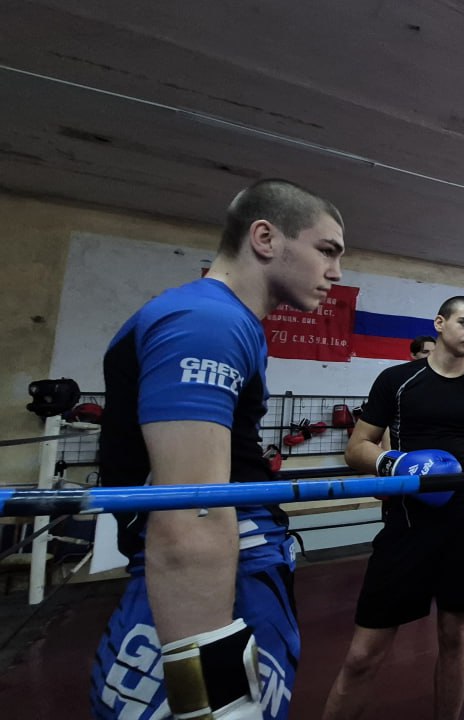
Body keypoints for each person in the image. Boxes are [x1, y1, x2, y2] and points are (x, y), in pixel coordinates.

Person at [90, 179, 345, 719]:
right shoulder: (208, 321)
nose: (336, 272)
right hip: (221, 570)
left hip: (233, 560)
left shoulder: (225, 320)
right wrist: (216, 692)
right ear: (265, 238)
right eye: (327, 250)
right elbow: (192, 511)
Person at [323, 296, 464, 720]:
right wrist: (394, 463)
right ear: (439, 323)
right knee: (363, 653)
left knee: (455, 634)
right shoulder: (396, 381)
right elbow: (357, 448)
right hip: (406, 526)